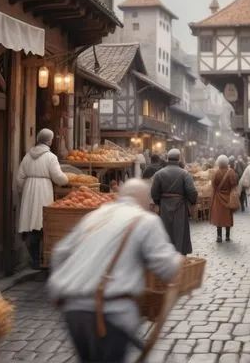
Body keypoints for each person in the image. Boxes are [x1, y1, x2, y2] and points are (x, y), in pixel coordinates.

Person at [47, 179, 183, 363]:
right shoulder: (146, 220)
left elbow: (59, 254)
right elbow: (166, 267)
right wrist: (178, 261)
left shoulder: (95, 216)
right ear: (144, 200)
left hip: (73, 311)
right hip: (110, 312)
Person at [17, 129, 68, 269]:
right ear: (49, 141)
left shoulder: (28, 156)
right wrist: (66, 179)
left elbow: (20, 177)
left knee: (30, 222)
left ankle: (34, 259)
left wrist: (24, 189)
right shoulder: (50, 157)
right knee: (42, 222)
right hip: (43, 189)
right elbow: (58, 177)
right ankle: (40, 259)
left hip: (29, 189)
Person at [151, 149, 198, 255]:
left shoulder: (159, 174)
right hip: (180, 206)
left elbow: (154, 192)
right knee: (179, 231)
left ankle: (166, 254)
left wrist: (159, 202)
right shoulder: (184, 173)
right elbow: (191, 190)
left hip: (164, 206)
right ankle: (180, 256)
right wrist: (192, 201)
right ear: (179, 159)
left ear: (168, 158)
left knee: (165, 231)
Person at [211, 155, 237, 242]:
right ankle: (227, 236)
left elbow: (213, 185)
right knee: (227, 216)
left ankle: (219, 236)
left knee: (219, 216)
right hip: (228, 197)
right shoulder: (231, 172)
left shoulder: (216, 172)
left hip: (218, 198)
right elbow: (234, 184)